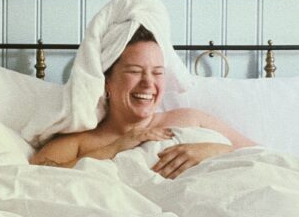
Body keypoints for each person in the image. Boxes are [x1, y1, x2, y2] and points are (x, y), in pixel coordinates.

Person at [30, 25, 257, 179]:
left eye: (157, 73)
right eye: (135, 71)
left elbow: (262, 156)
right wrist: (115, 148)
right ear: (106, 81)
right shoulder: (81, 140)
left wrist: (215, 151)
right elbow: (35, 177)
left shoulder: (190, 118)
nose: (148, 83)